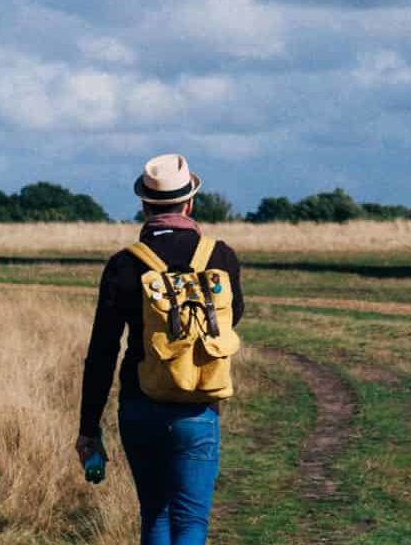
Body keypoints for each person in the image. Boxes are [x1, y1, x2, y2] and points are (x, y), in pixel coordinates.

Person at [78, 153, 246, 545]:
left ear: (144, 206)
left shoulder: (123, 264)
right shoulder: (219, 256)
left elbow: (102, 351)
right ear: (190, 202)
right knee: (191, 522)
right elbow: (230, 320)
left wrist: (88, 428)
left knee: (155, 515)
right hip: (197, 406)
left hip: (139, 404)